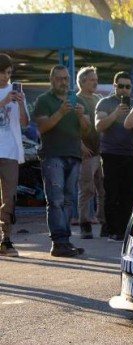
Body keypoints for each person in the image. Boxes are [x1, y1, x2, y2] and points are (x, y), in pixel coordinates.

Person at [32, 65, 90, 257]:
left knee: (67, 201)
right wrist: (61, 112)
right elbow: (41, 127)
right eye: (59, 79)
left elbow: (87, 130)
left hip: (73, 155)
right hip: (52, 155)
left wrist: (81, 117)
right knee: (55, 200)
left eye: (66, 78)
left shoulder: (77, 100)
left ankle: (65, 241)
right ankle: (58, 242)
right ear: (51, 80)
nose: (63, 82)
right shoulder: (43, 100)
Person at [95, 71, 133, 242]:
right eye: (120, 86)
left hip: (132, 154)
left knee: (129, 194)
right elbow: (98, 126)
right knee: (111, 193)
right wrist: (115, 114)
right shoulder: (105, 103)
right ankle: (112, 229)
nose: (124, 90)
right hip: (111, 153)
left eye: (127, 87)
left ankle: (124, 229)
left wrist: (132, 117)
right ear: (114, 86)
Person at [0, 53, 28, 257]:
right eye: (1, 72)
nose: (5, 77)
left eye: (8, 73)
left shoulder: (16, 91)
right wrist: (3, 102)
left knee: (9, 197)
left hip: (10, 151)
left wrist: (19, 104)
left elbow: (25, 123)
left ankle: (6, 238)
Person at [75, 66, 105, 239]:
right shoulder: (75, 100)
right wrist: (80, 145)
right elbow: (71, 127)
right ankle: (84, 224)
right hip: (86, 153)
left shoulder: (98, 99)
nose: (95, 82)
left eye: (96, 79)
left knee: (103, 190)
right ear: (82, 82)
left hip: (101, 151)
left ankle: (103, 222)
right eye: (91, 80)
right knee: (86, 190)